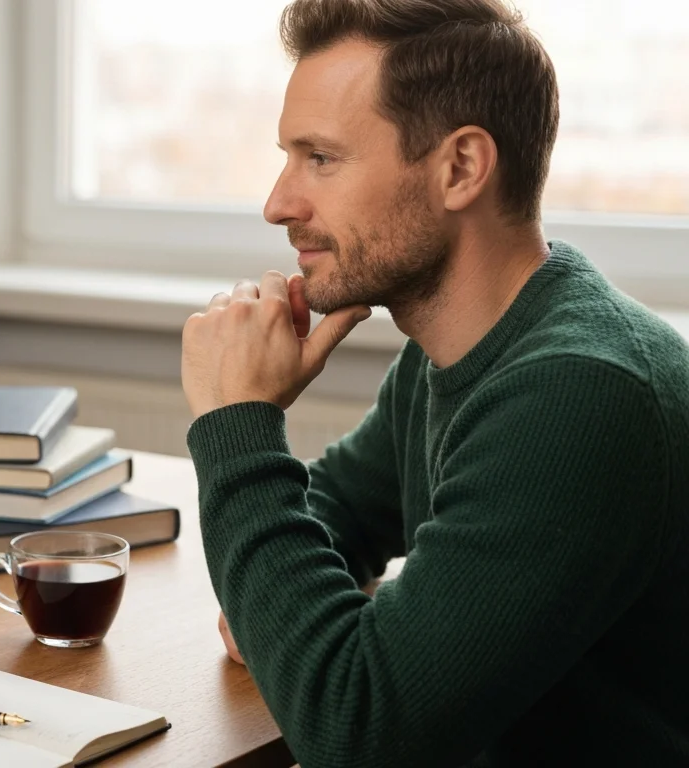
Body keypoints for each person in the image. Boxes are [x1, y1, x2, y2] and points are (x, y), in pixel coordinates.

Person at [180, 0, 689, 765]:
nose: (279, 204)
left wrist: (239, 423)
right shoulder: (454, 349)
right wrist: (288, 617)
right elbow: (339, 506)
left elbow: (359, 735)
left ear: (460, 168)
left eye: (320, 158)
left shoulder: (581, 394)